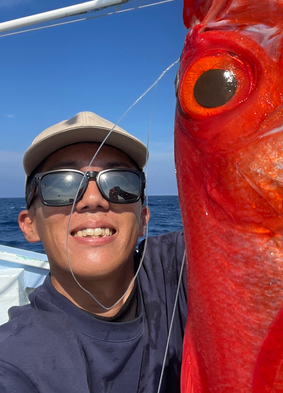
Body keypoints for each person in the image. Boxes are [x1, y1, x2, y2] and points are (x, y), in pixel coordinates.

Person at [0, 111, 187, 393]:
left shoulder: (185, 265)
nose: (92, 199)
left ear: (143, 220)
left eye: (120, 183)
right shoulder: (13, 361)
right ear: (30, 225)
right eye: (62, 184)